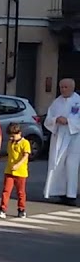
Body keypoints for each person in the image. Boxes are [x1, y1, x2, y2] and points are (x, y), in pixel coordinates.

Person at [44, 78, 80, 206]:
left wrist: (69, 121)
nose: (63, 90)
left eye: (66, 87)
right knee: (57, 163)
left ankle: (71, 195)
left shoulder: (78, 101)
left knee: (71, 166)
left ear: (72, 88)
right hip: (59, 137)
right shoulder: (56, 102)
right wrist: (55, 120)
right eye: (61, 87)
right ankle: (59, 192)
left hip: (74, 138)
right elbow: (48, 119)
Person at [0, 123, 31, 219]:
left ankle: (21, 209)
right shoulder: (10, 143)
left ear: (19, 133)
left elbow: (26, 156)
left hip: (21, 172)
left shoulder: (25, 143)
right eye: (10, 136)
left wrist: (18, 165)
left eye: (13, 136)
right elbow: (9, 155)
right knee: (6, 191)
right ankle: (2, 209)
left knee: (20, 192)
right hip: (9, 171)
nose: (11, 138)